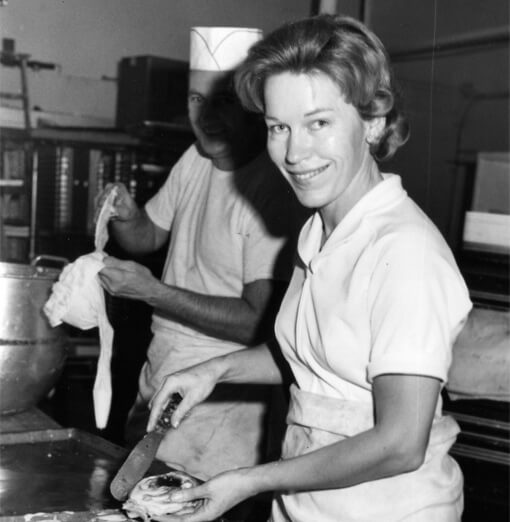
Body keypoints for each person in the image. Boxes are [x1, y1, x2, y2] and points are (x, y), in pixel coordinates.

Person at [147, 14, 473, 522]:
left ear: (373, 121)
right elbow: (317, 363)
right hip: (310, 507)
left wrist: (251, 480)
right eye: (280, 127)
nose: (295, 153)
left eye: (319, 123)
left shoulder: (404, 251)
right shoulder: (321, 231)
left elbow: (400, 443)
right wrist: (215, 369)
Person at [97, 26, 300, 480]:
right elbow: (149, 237)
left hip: (222, 403)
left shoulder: (271, 192)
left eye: (223, 101)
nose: (206, 116)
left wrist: (154, 293)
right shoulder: (196, 159)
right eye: (195, 99)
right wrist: (127, 216)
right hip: (162, 374)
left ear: (255, 106)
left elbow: (256, 320)